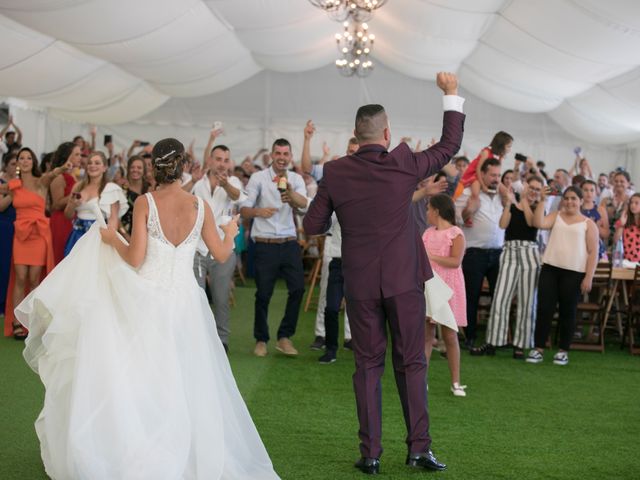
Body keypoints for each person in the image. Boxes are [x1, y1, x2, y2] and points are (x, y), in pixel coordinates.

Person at [15, 138, 280, 479]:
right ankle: (185, 447)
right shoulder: (200, 205)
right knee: (187, 376)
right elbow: (223, 254)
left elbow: (135, 259)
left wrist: (113, 240)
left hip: (148, 299)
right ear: (183, 165)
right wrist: (230, 231)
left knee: (144, 375)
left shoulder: (145, 202)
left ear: (155, 166)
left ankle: (145, 443)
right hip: (187, 302)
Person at [303, 72, 464, 474]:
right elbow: (449, 146)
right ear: (386, 133)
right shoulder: (405, 162)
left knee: (367, 366)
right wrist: (450, 94)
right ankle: (418, 449)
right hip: (403, 281)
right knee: (411, 362)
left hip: (359, 282)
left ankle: (371, 453)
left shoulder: (336, 172)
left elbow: (312, 226)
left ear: (355, 136)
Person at [239, 139, 309, 357]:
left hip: (288, 242)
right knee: (263, 294)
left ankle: (284, 337)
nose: (281, 157)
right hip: (264, 244)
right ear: (271, 155)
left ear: (290, 156)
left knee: (298, 288)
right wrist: (259, 212)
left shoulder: (296, 179)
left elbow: (303, 204)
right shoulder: (258, 178)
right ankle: (261, 339)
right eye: (278, 153)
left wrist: (291, 195)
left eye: (285, 154)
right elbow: (243, 209)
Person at [470, 175, 543, 359]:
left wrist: (525, 199)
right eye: (531, 187)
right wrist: (510, 203)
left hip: (530, 253)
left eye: (537, 188)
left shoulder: (538, 207)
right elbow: (503, 224)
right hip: (510, 251)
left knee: (527, 301)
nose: (534, 191)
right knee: (500, 298)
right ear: (525, 186)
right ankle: (493, 341)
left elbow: (531, 222)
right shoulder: (512, 203)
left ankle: (520, 345)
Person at [2, 147, 70, 339]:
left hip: (39, 234)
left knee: (34, 279)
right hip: (21, 236)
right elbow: (2, 198)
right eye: (21, 158)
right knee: (20, 278)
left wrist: (63, 167)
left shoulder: (41, 182)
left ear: (33, 162)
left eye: (28, 158)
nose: (24, 161)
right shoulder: (14, 185)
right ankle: (16, 322)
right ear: (17, 163)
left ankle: (32, 321)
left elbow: (53, 173)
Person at [527, 186, 598, 366]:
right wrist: (542, 200)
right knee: (545, 309)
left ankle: (563, 350)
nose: (569, 202)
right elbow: (538, 223)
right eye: (566, 198)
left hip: (574, 273)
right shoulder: (556, 215)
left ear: (581, 201)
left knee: (568, 312)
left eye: (574, 198)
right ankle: (538, 348)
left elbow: (593, 252)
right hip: (550, 269)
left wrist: (588, 277)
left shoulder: (588, 224)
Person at [192, 141, 246, 352]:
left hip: (223, 248)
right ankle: (196, 338)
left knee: (221, 298)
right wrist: (192, 181)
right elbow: (181, 197)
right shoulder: (197, 181)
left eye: (226, 160)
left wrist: (224, 184)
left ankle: (221, 341)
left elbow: (238, 197)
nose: (222, 164)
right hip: (196, 248)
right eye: (218, 159)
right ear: (210, 160)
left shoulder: (232, 182)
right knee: (195, 297)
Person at [422, 194, 467, 396]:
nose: (427, 213)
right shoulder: (427, 233)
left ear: (436, 211)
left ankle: (456, 381)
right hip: (430, 286)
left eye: (428, 209)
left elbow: (455, 261)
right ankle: (421, 379)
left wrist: (431, 257)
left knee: (450, 335)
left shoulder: (456, 233)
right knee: (426, 334)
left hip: (448, 287)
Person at [460, 158, 505, 348]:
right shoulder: (469, 193)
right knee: (471, 297)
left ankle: (496, 338)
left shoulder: (503, 195)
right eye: (493, 175)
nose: (496, 179)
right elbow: (458, 220)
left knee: (499, 296)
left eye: (498, 175)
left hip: (498, 253)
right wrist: (468, 211)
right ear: (483, 174)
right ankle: (469, 337)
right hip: (474, 252)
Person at [63, 151, 127, 256]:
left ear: (105, 168)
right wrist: (72, 204)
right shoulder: (78, 187)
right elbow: (68, 216)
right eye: (90, 163)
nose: (92, 165)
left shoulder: (111, 188)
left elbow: (113, 219)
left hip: (99, 236)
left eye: (97, 163)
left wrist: (108, 240)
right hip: (77, 236)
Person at [460, 131, 513, 223]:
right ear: (501, 145)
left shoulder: (500, 156)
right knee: (475, 195)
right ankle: (469, 216)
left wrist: (499, 187)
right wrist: (483, 185)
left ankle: (504, 212)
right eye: (508, 146)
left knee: (506, 192)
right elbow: (478, 169)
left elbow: (498, 173)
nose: (509, 149)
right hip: (475, 175)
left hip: (489, 176)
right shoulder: (486, 151)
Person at [49, 141, 82, 264]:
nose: (80, 157)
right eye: (77, 154)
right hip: (62, 222)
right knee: (61, 259)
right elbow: (56, 204)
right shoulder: (59, 177)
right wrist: (75, 194)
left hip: (74, 220)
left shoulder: (74, 175)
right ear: (68, 156)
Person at [0, 152, 17, 316]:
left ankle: (8, 302)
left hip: (18, 227)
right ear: (5, 165)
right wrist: (14, 193)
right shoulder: (3, 182)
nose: (16, 167)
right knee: (3, 263)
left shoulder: (21, 182)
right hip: (3, 227)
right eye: (13, 163)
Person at [580, 179, 609, 259]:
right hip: (579, 246)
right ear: (580, 192)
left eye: (592, 190)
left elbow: (606, 233)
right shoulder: (577, 209)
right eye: (585, 190)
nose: (589, 193)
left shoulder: (601, 210)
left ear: (596, 193)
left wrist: (595, 226)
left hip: (597, 247)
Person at [614, 193, 640, 263]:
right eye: (631, 202)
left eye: (636, 203)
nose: (633, 205)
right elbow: (616, 241)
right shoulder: (624, 220)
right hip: (624, 260)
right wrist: (622, 225)